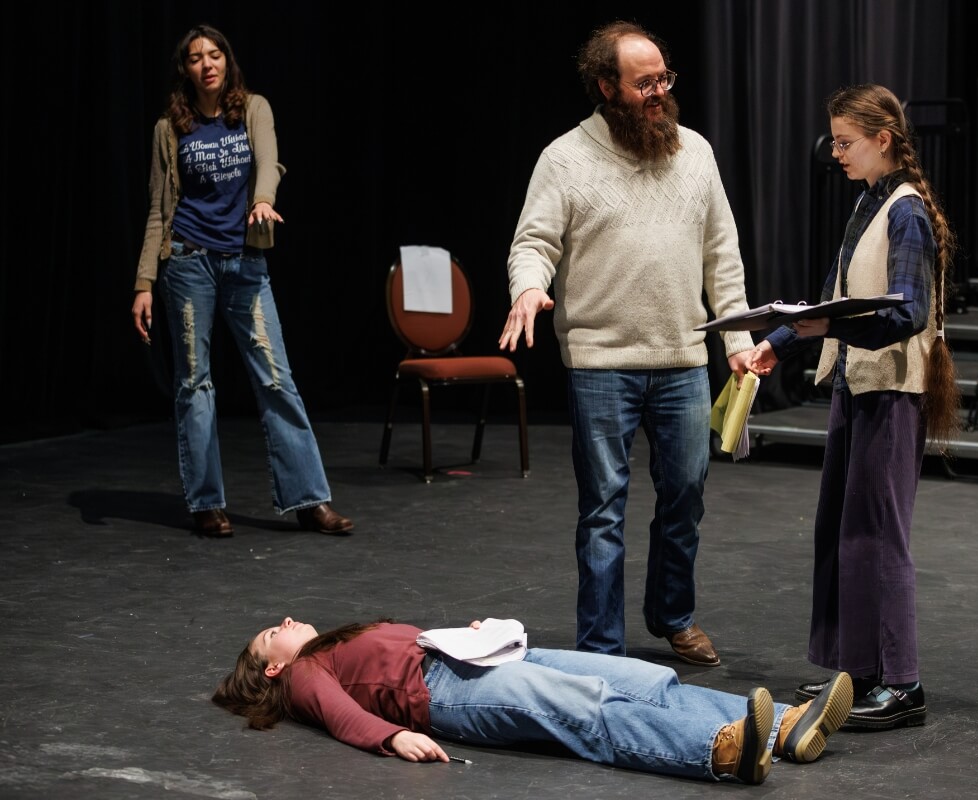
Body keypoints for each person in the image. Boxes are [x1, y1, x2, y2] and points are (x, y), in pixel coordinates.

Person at [499, 21, 756, 666]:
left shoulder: (694, 152)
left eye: (664, 78)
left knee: (686, 498)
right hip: (602, 364)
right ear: (606, 87)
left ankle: (673, 615)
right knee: (603, 512)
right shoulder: (565, 158)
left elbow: (722, 255)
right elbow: (533, 242)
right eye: (644, 83)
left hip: (682, 359)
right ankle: (601, 647)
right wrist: (528, 287)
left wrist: (738, 336)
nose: (659, 93)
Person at [747, 84, 960, 731]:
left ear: (882, 140)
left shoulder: (906, 213)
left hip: (891, 390)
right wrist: (777, 343)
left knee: (879, 536)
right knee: (844, 533)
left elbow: (908, 311)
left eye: (845, 142)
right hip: (856, 385)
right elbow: (832, 295)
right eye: (835, 141)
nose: (835, 152)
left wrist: (831, 330)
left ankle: (903, 683)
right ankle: (858, 669)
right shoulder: (869, 202)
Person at [130, 24, 352, 538]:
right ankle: (206, 502)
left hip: (244, 262)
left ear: (227, 61)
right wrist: (144, 282)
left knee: (277, 378)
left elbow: (269, 163)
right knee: (195, 385)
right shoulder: (170, 127)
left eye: (214, 55)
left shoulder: (253, 108)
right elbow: (158, 211)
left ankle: (309, 500)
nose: (206, 64)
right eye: (195, 58)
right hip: (187, 262)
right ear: (184, 69)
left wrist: (263, 200)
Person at [212, 615, 854, 784]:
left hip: (465, 659)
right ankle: (717, 751)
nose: (286, 621)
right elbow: (342, 713)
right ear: (271, 671)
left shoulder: (332, 645)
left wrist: (467, 634)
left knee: (639, 678)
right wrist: (390, 737)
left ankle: (783, 730)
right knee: (581, 708)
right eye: (273, 633)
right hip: (445, 692)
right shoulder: (302, 677)